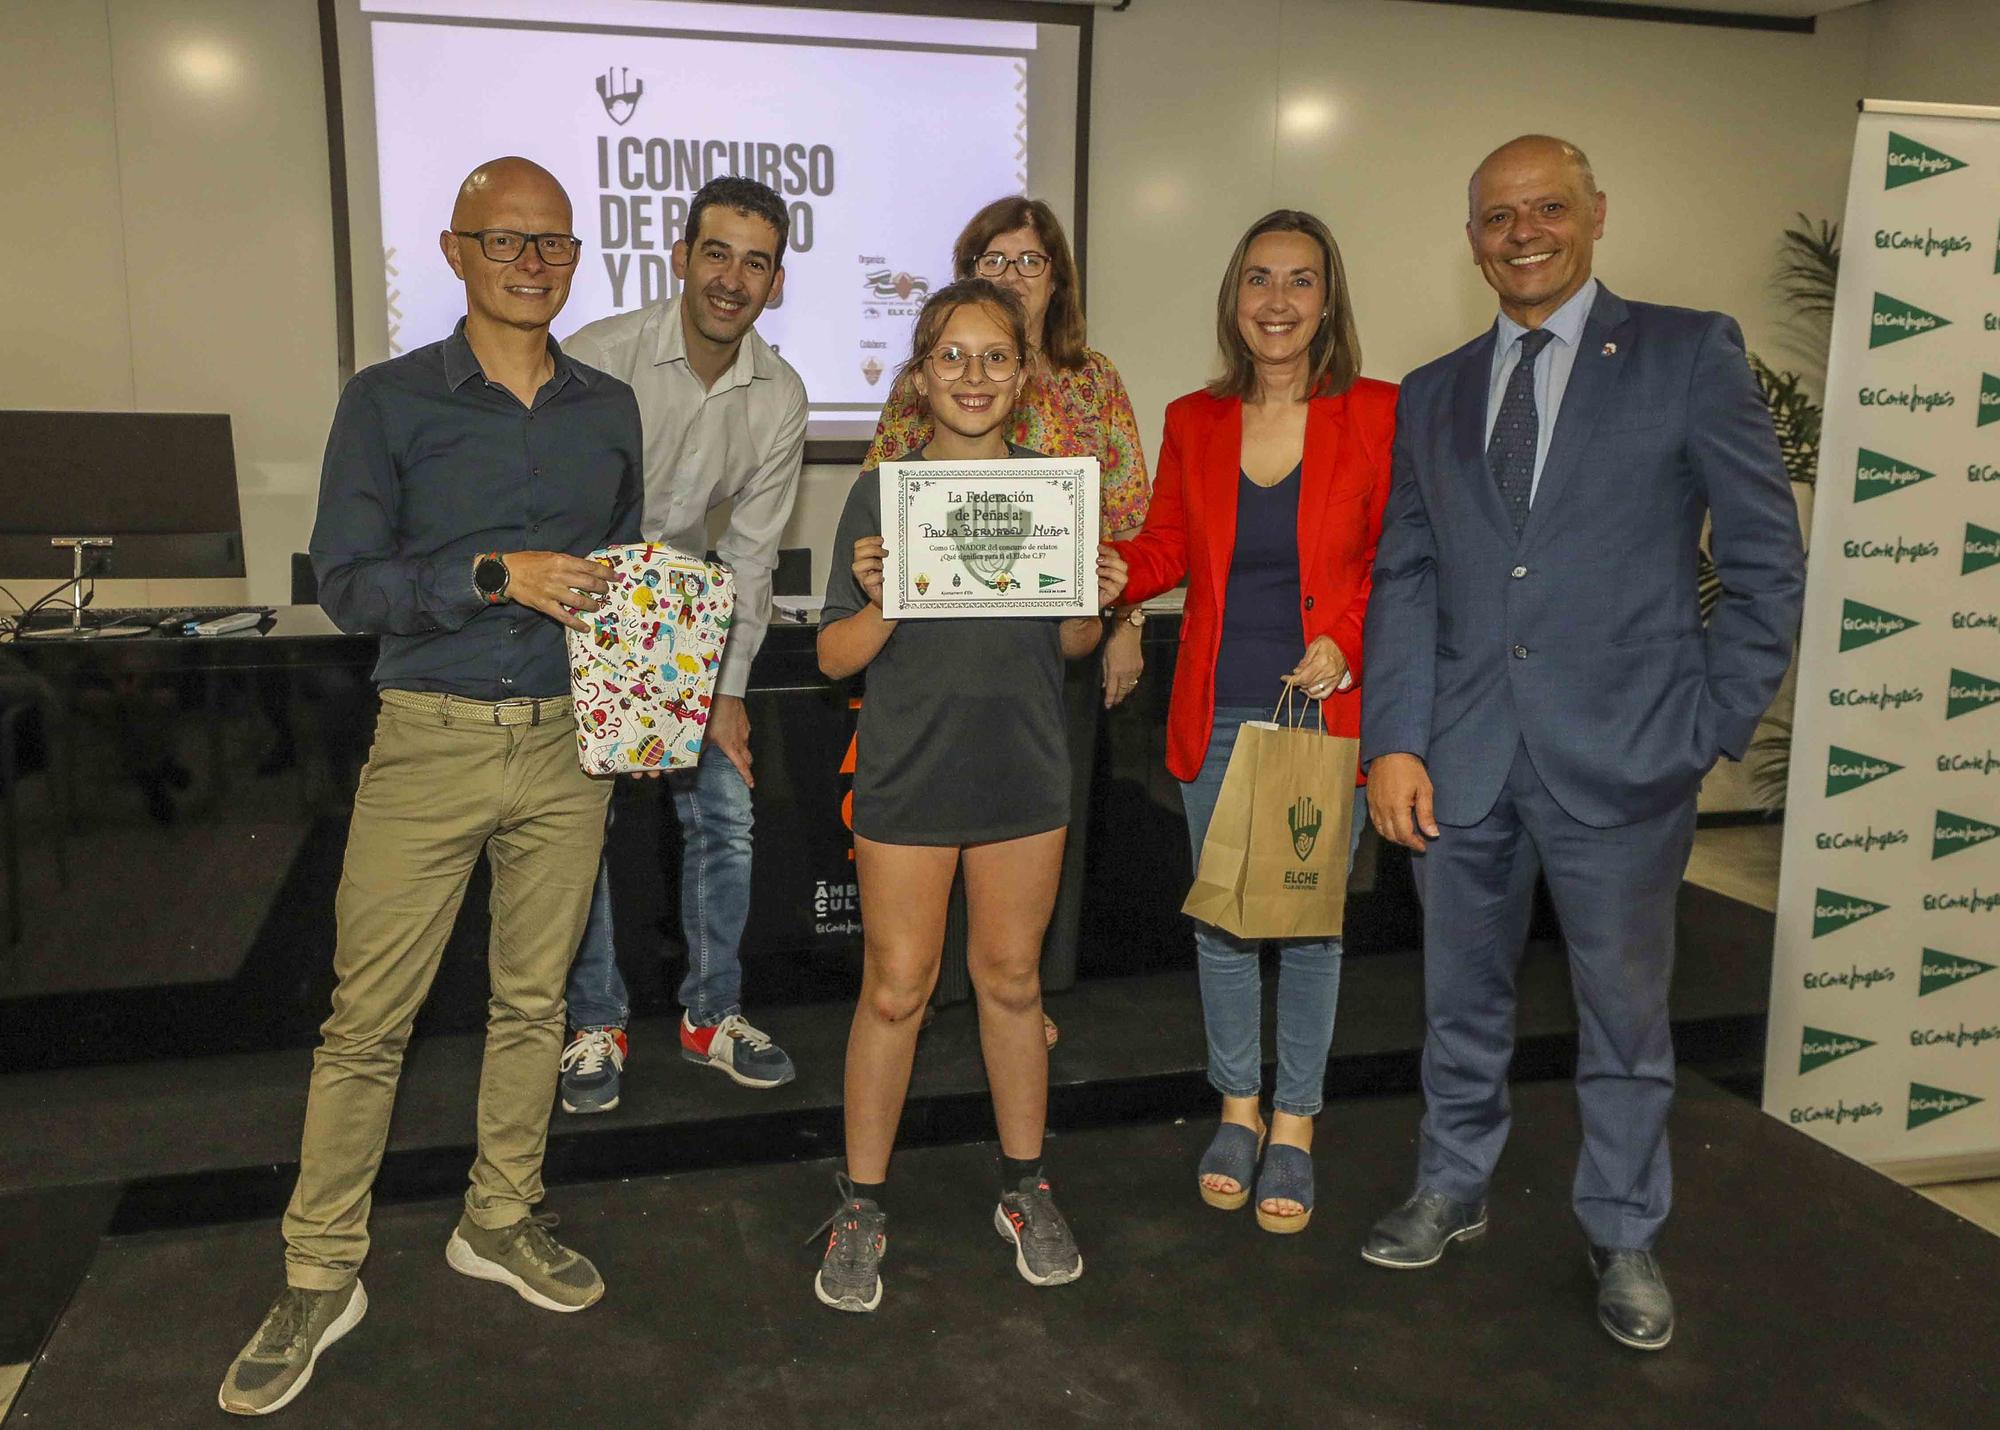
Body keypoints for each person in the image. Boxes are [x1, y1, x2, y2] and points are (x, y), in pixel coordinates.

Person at [1359, 136, 1804, 1349]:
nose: (1521, 232)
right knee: (1458, 1000)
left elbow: (1766, 563)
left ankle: (1620, 1228)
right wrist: (1392, 738)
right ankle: (1449, 1185)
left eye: (1545, 207)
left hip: (1627, 757)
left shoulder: (1684, 351)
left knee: (1622, 1016)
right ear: (1470, 238)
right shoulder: (1435, 388)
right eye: (1496, 216)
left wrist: (1706, 727)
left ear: (1594, 214)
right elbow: (1404, 572)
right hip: (1458, 761)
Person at [220, 157, 642, 1416]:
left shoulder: (609, 406)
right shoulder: (390, 400)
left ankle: (499, 1218)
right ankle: (319, 1270)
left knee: (533, 1006)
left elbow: (614, 561)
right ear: (455, 252)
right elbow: (346, 583)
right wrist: (488, 576)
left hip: (571, 744)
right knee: (368, 1020)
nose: (531, 261)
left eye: (553, 243)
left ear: (575, 259)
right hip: (430, 735)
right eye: (504, 240)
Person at [812, 278, 1128, 1312]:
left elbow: (1073, 642)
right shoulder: (878, 492)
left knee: (1010, 983)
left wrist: (1097, 591)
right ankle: (860, 1202)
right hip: (908, 768)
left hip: (1023, 769)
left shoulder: (1056, 487)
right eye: (952, 356)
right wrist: (884, 595)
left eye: (995, 357)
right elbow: (831, 656)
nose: (974, 376)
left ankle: (1024, 1186)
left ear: (1024, 373)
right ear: (917, 375)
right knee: (896, 987)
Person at [1115, 210, 1395, 1235]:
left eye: (1299, 281)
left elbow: (1392, 561)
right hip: (1216, 705)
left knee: (1307, 927)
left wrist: (1349, 642)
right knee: (1225, 921)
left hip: (1322, 715)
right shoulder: (1194, 417)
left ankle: (1295, 1121)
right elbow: (1166, 547)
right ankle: (1235, 1105)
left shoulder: (1376, 411)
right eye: (1257, 281)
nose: (1276, 302)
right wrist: (1107, 573)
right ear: (1233, 300)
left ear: (1327, 299)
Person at [865, 197, 1149, 1047]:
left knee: (1031, 825)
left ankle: (1020, 991)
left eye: (1031, 261)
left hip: (1053, 643)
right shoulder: (937, 377)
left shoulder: (1092, 376)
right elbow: (887, 485)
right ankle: (939, 992)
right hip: (936, 648)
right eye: (994, 260)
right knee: (931, 839)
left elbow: (1127, 505)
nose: (1013, 275)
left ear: (1056, 276)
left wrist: (1122, 619)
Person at [553, 176, 809, 1113]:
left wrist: (728, 691)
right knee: (581, 827)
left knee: (727, 813)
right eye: (717, 252)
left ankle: (712, 1014)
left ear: (775, 282)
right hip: (580, 603)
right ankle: (594, 1021)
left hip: (688, 622)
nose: (732, 278)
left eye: (755, 261)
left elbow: (747, 556)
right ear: (681, 258)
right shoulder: (597, 356)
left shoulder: (780, 394)